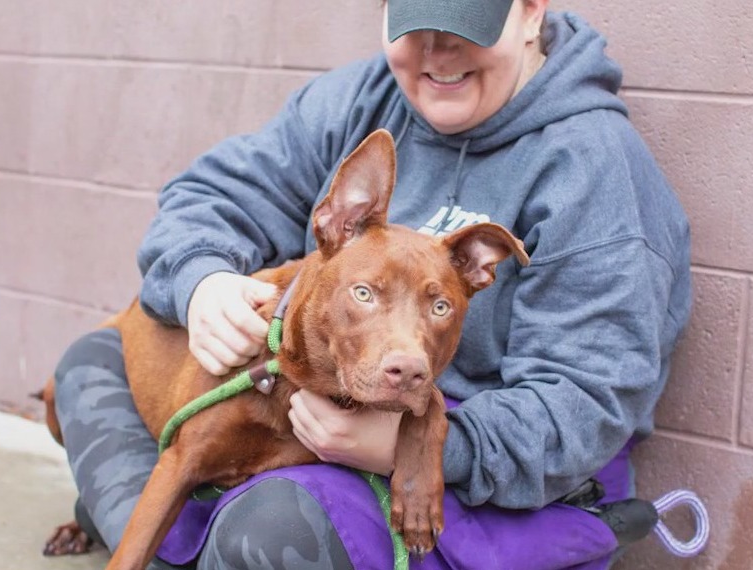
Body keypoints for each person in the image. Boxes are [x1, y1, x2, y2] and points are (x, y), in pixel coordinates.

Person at [51, 0, 692, 568]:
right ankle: (188, 540)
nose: (439, 56)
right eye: (415, 26)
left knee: (275, 530)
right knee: (91, 366)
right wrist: (203, 281)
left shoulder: (595, 171)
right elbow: (216, 194)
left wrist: (406, 446)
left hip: (482, 484)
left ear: (529, 14)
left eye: (465, 26)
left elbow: (585, 407)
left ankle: (190, 539)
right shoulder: (363, 101)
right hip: (324, 412)